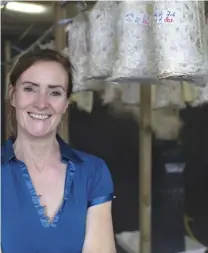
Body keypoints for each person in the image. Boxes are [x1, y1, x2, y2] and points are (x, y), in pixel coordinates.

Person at [1, 49, 116, 253]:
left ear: (65, 104)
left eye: (54, 92)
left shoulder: (93, 172)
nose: (41, 103)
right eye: (30, 89)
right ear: (12, 95)